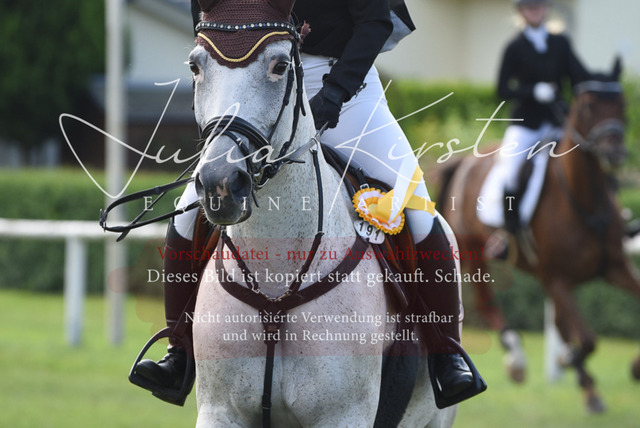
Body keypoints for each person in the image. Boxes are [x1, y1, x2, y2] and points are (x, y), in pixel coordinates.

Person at [132, 0, 485, 408]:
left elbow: (374, 22)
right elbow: (207, 20)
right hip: (255, 87)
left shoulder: (343, 86)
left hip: (346, 89)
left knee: (419, 211)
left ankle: (445, 354)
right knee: (188, 210)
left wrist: (334, 94)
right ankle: (178, 351)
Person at [482, 0, 589, 254]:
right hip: (526, 124)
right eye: (530, 7)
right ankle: (509, 233)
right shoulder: (514, 47)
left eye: (539, 6)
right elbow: (501, 89)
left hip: (557, 122)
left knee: (589, 156)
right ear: (521, 12)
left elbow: (579, 78)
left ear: (546, 9)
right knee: (511, 170)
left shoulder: (560, 42)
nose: (535, 10)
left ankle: (610, 218)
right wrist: (532, 91)